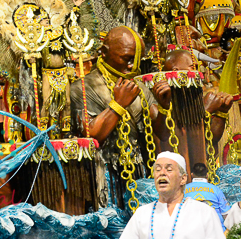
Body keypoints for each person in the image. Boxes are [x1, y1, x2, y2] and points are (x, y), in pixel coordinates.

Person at [69, 26, 172, 206]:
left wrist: (164, 107)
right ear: (104, 53)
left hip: (139, 171)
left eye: (136, 60)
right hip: (103, 173)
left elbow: (162, 134)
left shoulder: (139, 86)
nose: (132, 66)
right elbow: (91, 134)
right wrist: (118, 105)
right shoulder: (83, 87)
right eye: (126, 59)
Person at [115, 151, 232, 239]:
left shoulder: (204, 213)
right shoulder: (142, 214)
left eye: (169, 169)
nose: (162, 173)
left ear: (183, 179)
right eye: (158, 169)